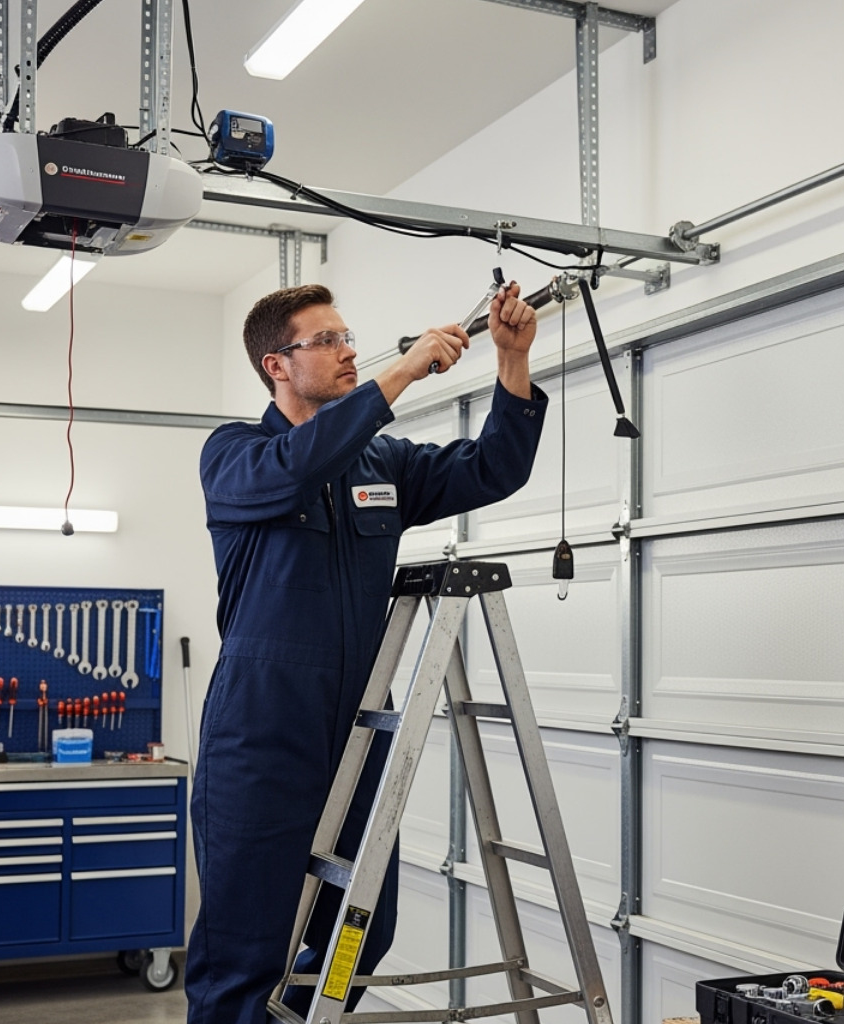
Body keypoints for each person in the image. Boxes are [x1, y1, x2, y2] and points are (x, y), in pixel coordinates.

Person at [188, 281, 546, 1024]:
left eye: (348, 336)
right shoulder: (236, 455)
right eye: (327, 341)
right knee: (243, 951)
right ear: (275, 365)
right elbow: (297, 465)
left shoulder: (383, 465)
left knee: (361, 928)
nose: (348, 350)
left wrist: (514, 364)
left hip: (358, 731)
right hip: (261, 733)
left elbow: (492, 469)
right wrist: (405, 371)